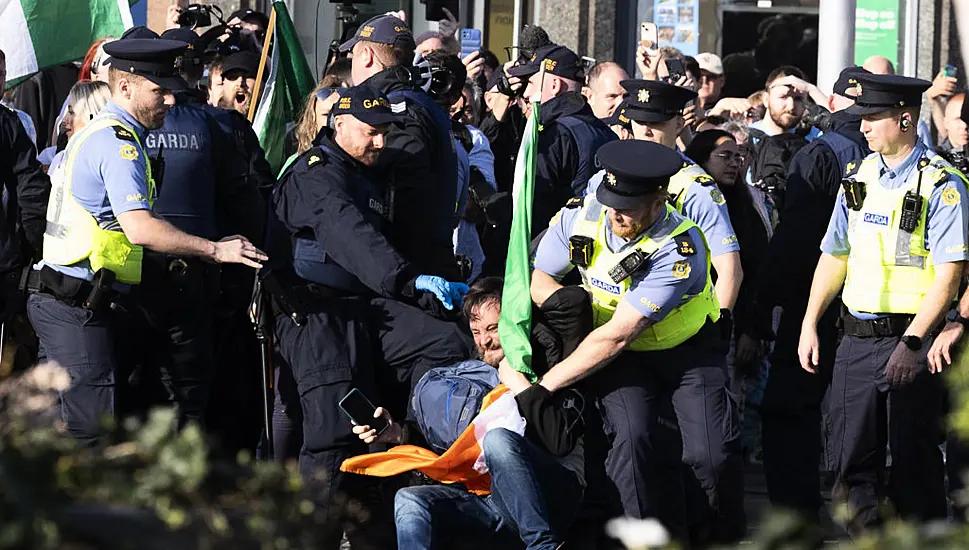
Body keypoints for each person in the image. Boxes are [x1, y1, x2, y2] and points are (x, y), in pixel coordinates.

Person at [25, 38, 267, 447]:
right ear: (125, 87)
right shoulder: (117, 144)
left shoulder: (107, 133)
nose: (171, 101)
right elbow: (141, 229)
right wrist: (215, 250)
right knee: (91, 434)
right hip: (73, 303)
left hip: (74, 300)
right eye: (159, 91)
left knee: (57, 427)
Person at [268, 85, 473, 547]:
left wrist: (429, 290)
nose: (380, 142)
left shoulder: (373, 173)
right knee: (332, 436)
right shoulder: (314, 173)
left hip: (366, 308)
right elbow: (348, 233)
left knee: (445, 342)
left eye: (385, 133)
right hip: (314, 310)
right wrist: (407, 280)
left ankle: (412, 437)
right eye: (370, 133)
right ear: (338, 125)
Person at [532, 139, 744, 543]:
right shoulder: (582, 217)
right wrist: (563, 303)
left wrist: (547, 385)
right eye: (611, 201)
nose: (616, 214)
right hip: (623, 359)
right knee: (630, 445)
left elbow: (617, 335)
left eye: (627, 207)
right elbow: (538, 275)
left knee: (710, 455)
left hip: (686, 351)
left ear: (659, 198)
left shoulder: (680, 247)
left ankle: (713, 537)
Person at [798, 73, 969, 536]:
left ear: (906, 118)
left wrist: (913, 342)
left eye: (873, 117)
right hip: (854, 339)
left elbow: (950, 273)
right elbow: (835, 255)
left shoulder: (942, 185)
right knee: (849, 466)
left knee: (913, 468)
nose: (865, 127)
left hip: (910, 341)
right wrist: (810, 321)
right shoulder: (858, 177)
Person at [759, 66, 872, 523]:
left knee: (789, 409)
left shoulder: (821, 154)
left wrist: (762, 307)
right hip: (872, 305)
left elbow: (795, 240)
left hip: (814, 301)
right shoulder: (895, 153)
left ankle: (796, 515)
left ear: (832, 103)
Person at [589, 79, 743, 314]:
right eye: (639, 122)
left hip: (669, 328)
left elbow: (730, 268)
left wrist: (719, 325)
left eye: (657, 122)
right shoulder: (605, 177)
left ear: (680, 124)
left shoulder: (695, 188)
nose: (646, 130)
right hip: (605, 316)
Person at [341, 14, 461, 280]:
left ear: (367, 56)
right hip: (424, 260)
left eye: (352, 55)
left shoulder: (400, 111)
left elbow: (404, 198)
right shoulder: (422, 103)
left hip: (412, 268)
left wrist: (397, 273)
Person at [506, 43, 617, 236]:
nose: (525, 93)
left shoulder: (554, 133)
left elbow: (534, 208)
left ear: (555, 85)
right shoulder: (606, 133)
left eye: (530, 83)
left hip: (550, 253)